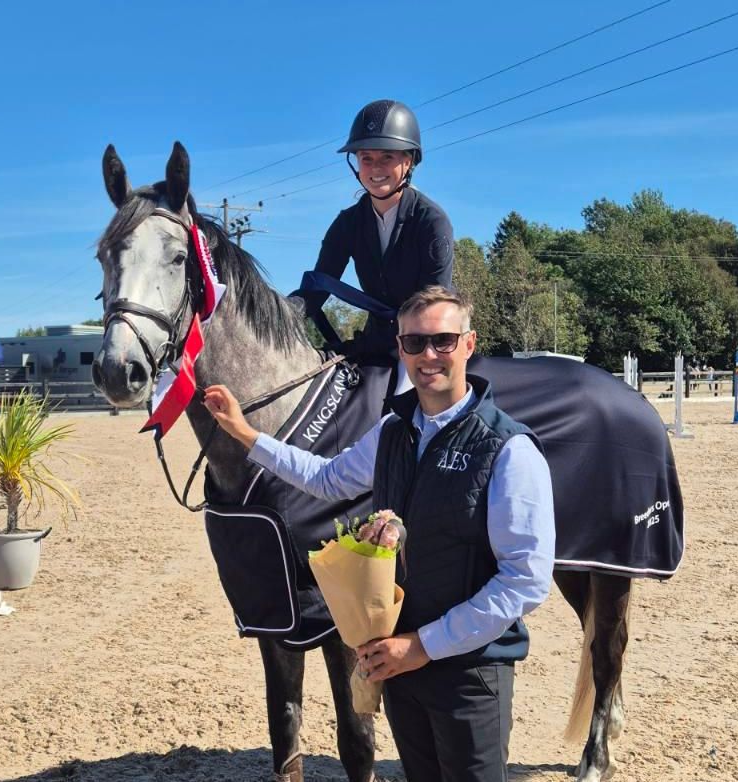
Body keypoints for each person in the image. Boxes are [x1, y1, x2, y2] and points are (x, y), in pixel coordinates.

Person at [204, 286, 555, 782]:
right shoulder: (394, 430)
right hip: (400, 666)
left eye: (443, 341)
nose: (428, 355)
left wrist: (424, 645)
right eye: (414, 343)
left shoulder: (509, 450)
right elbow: (326, 478)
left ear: (470, 345)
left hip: (468, 671)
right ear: (400, 348)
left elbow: (525, 582)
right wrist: (246, 434)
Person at [297, 99, 454, 375]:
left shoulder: (432, 221)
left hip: (427, 345)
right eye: (366, 159)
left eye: (387, 158)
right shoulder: (347, 223)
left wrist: (379, 343)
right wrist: (277, 314)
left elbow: (432, 304)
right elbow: (317, 289)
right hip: (376, 343)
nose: (375, 168)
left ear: (408, 161)